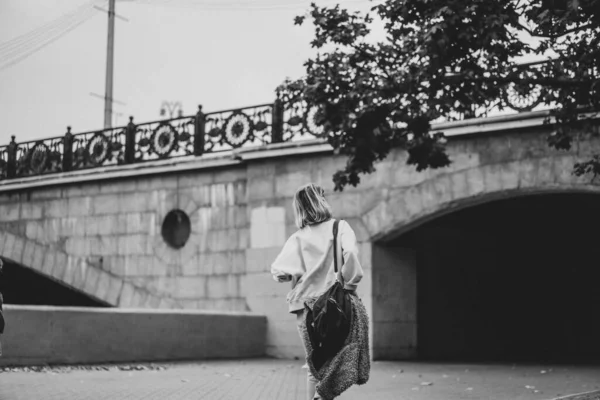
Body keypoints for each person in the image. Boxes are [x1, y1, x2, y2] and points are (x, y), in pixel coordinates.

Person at [271, 183, 370, 400]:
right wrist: (349, 285)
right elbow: (351, 253)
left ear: (300, 208)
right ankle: (324, 396)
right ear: (321, 201)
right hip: (335, 304)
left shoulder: (298, 237)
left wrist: (293, 274)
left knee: (314, 362)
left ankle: (319, 395)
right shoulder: (340, 227)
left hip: (304, 307)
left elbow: (279, 271)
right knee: (339, 356)